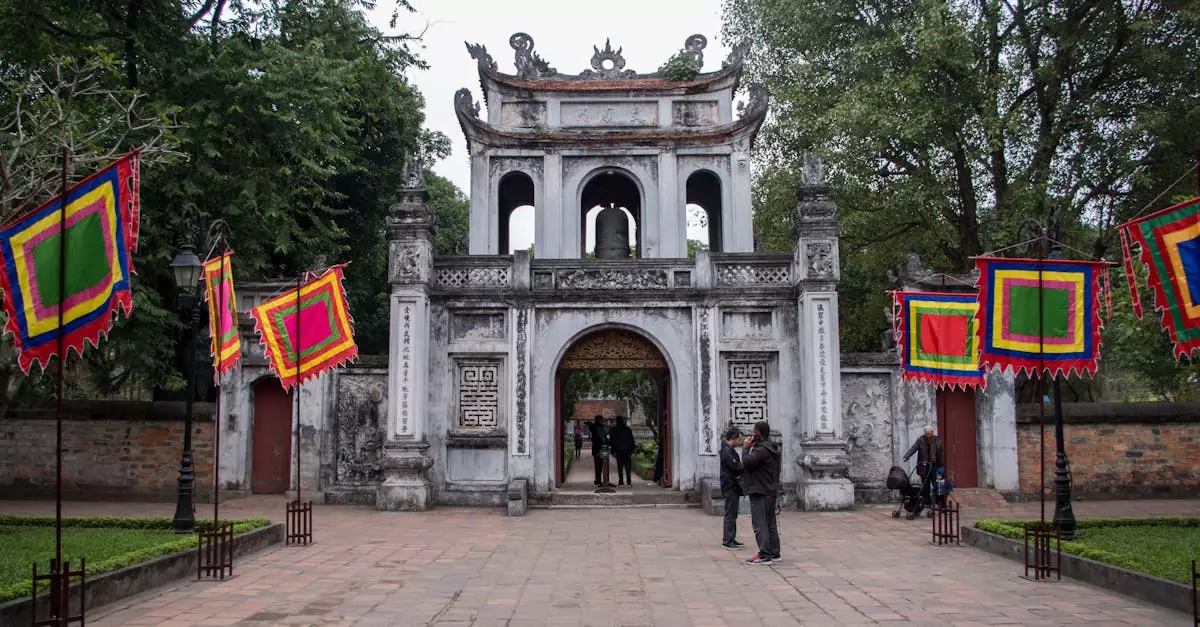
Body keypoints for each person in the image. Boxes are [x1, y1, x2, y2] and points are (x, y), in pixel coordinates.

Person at [741, 420, 781, 564]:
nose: (752, 435)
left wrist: (745, 449)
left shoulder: (761, 450)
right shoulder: (772, 448)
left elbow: (747, 463)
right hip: (770, 489)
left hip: (759, 489)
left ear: (757, 433)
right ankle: (774, 551)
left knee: (760, 523)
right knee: (770, 522)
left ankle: (764, 554)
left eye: (753, 432)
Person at [903, 425, 944, 508]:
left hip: (934, 466)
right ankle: (926, 502)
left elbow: (941, 453)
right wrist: (907, 456)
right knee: (925, 485)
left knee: (936, 484)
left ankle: (937, 502)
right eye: (926, 433)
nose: (927, 435)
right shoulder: (921, 440)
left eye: (929, 433)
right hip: (924, 466)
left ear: (932, 432)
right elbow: (913, 448)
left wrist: (942, 464)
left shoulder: (937, 440)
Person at [719, 426, 746, 549]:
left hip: (733, 485)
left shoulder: (730, 450)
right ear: (733, 438)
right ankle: (727, 539)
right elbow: (735, 467)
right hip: (730, 485)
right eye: (739, 440)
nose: (740, 443)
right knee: (730, 513)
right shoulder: (727, 451)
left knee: (733, 513)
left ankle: (731, 537)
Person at [610, 416, 636, 486]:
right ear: (623, 421)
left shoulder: (614, 430)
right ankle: (629, 482)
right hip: (627, 451)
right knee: (628, 467)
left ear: (617, 421)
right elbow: (631, 440)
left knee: (620, 467)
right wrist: (632, 450)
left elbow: (612, 441)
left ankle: (621, 482)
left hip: (618, 451)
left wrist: (613, 451)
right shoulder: (628, 429)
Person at [589, 416, 611, 487]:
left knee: (599, 465)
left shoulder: (594, 427)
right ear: (599, 420)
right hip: (600, 448)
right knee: (601, 465)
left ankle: (599, 480)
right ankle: (603, 480)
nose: (603, 421)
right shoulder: (598, 428)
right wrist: (607, 442)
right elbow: (602, 439)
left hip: (597, 448)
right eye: (602, 420)